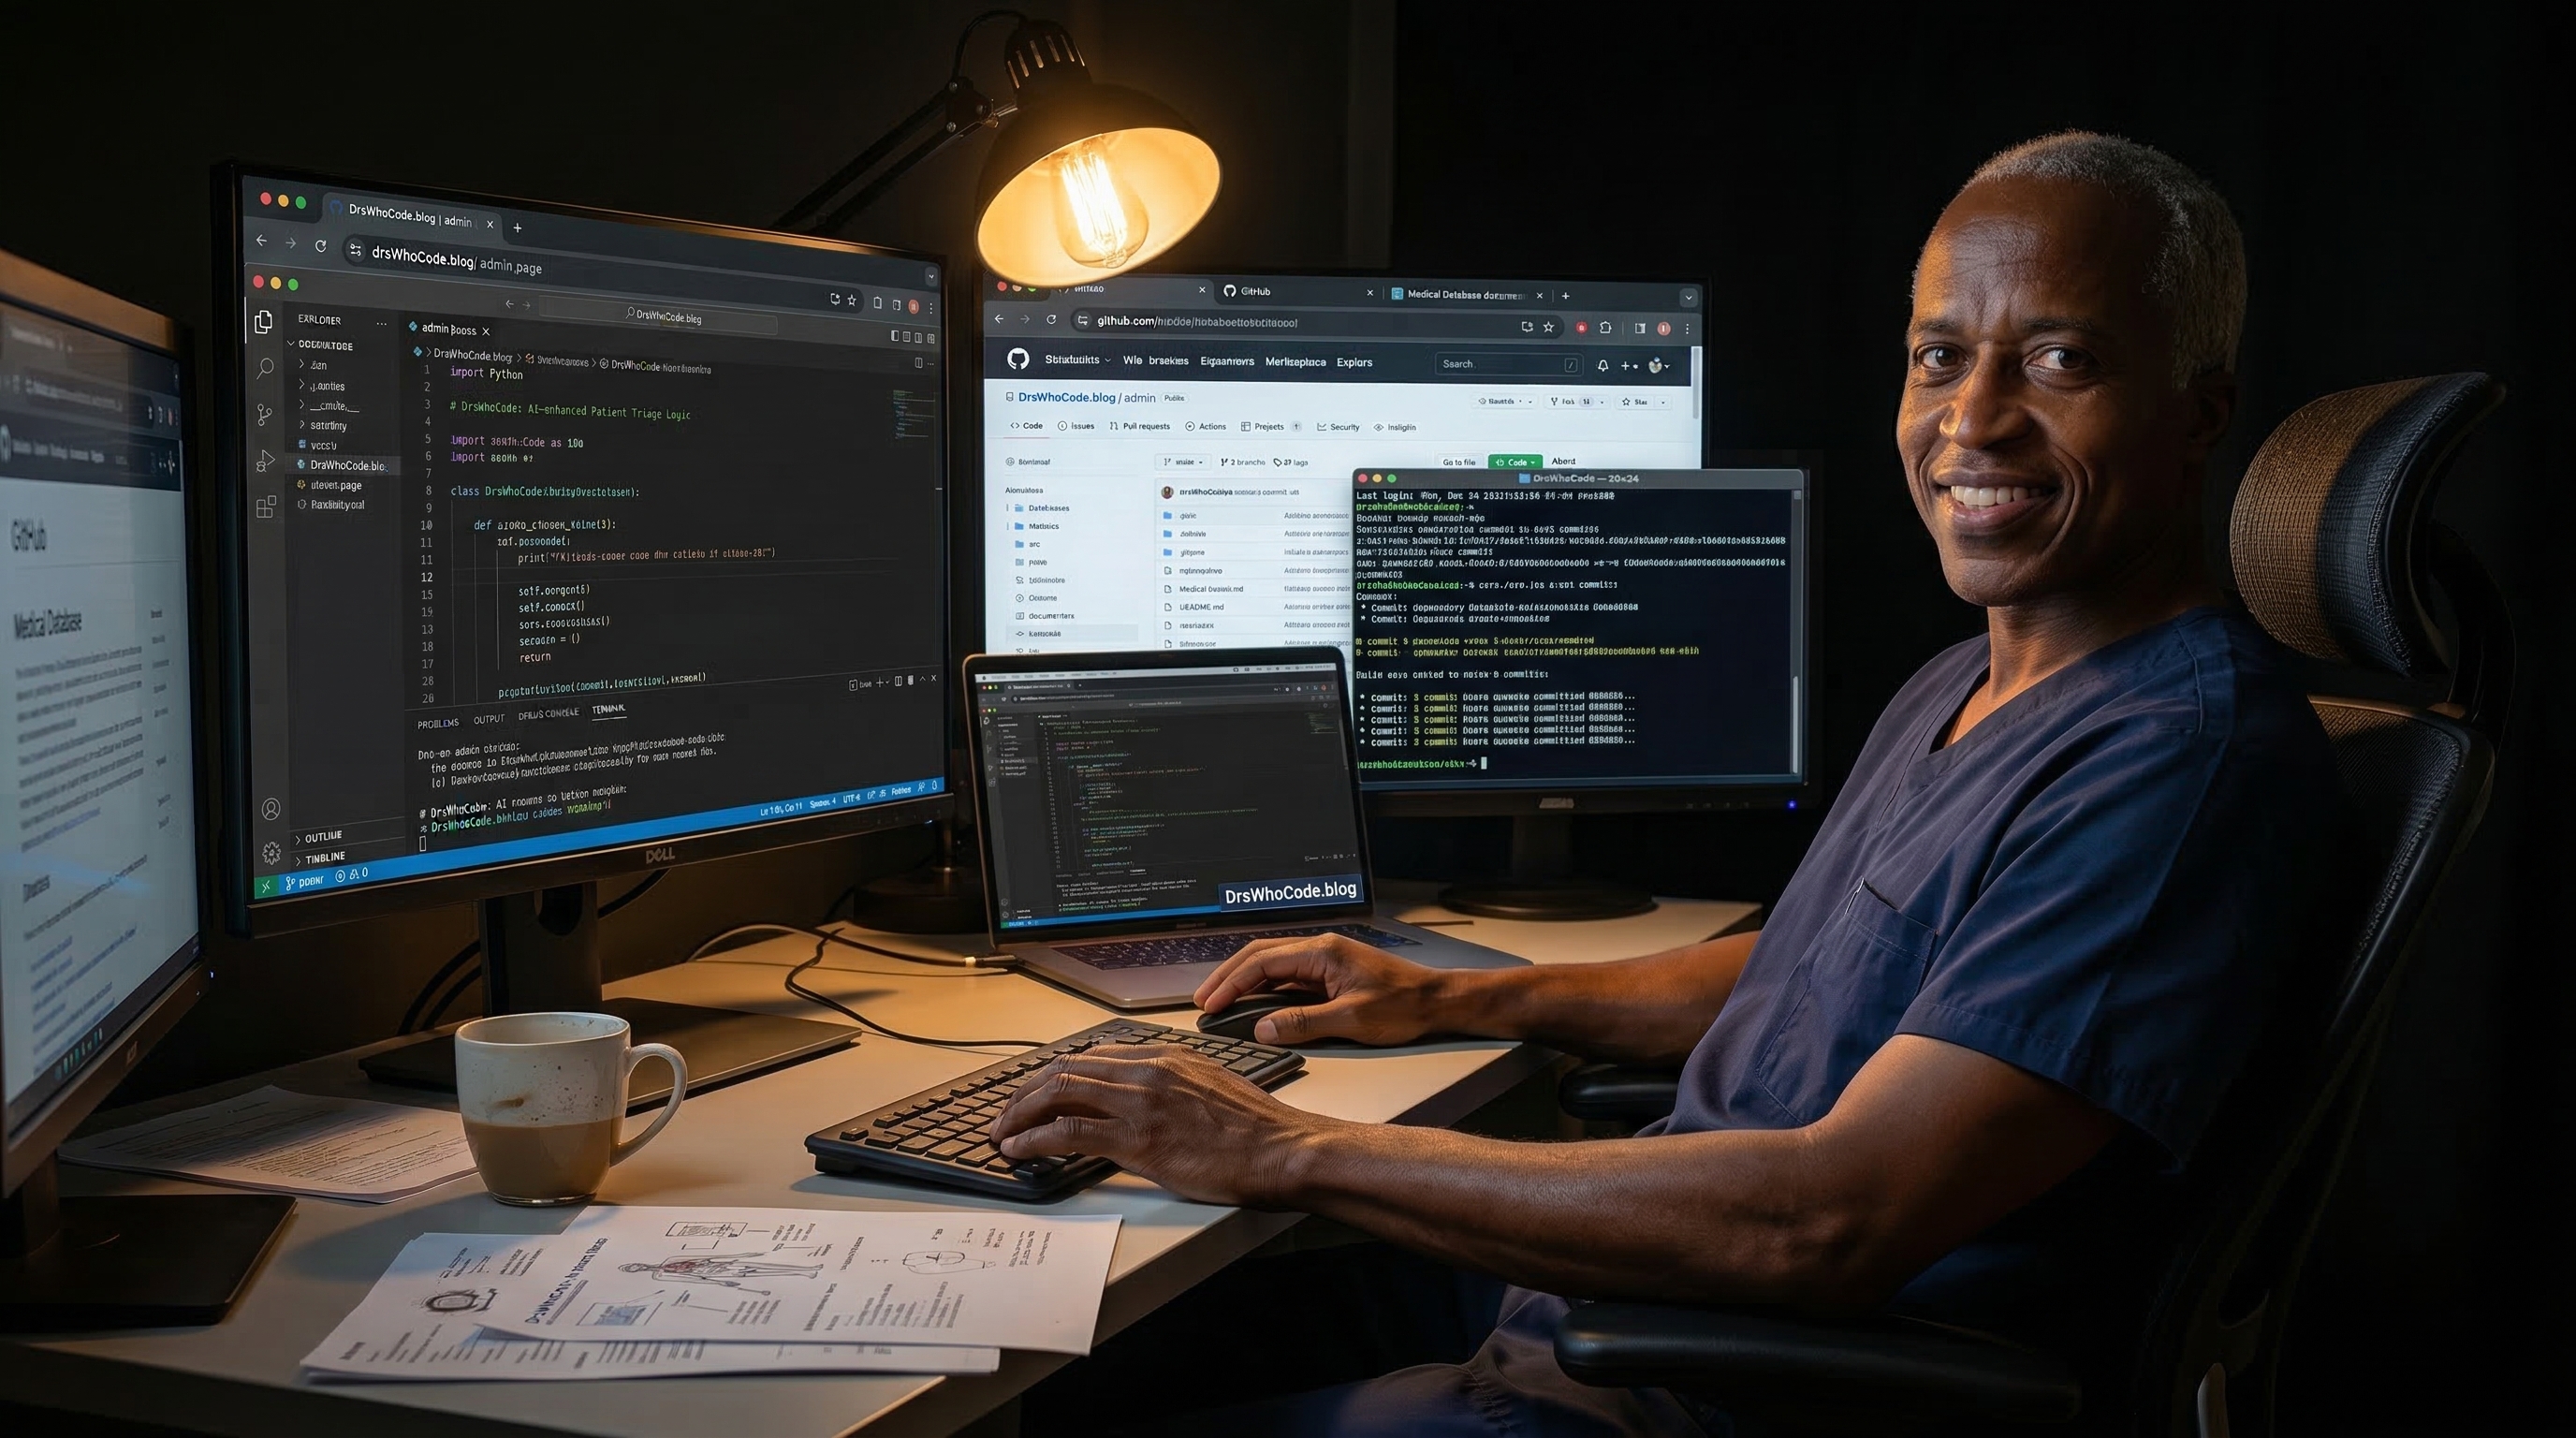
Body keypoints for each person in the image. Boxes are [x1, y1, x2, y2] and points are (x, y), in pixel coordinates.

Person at [992, 131, 2343, 1437]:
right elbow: (1811, 968)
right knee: (1057, 1368)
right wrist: (1454, 995)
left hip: (1734, 1384)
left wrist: (1278, 1152)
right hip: (1617, 1300)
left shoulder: (2177, 766)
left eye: (2061, 359)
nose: (1972, 420)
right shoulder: (1967, 682)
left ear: (2200, 411)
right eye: (1940, 356)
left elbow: (1829, 1219)